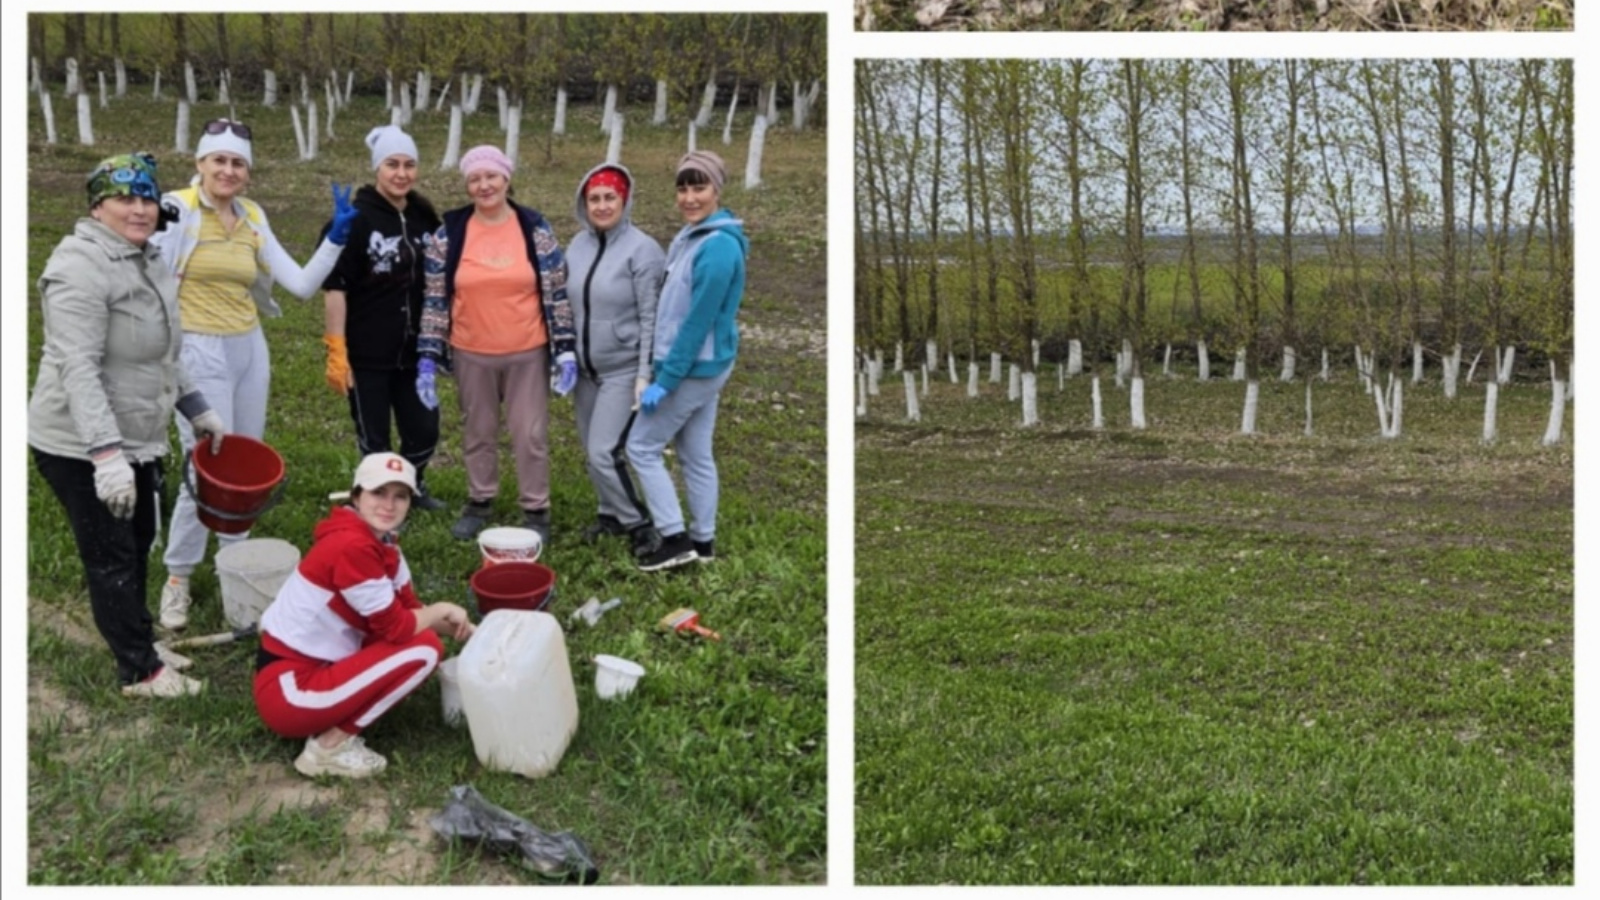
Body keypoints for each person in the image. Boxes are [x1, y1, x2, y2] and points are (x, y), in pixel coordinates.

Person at [28, 153, 228, 698]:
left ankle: (140, 639)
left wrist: (196, 406)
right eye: (124, 198)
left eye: (146, 198)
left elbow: (162, 349)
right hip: (79, 440)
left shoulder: (146, 258)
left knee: (139, 539)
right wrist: (105, 455)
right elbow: (78, 367)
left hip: (138, 434)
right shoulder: (78, 267)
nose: (139, 209)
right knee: (111, 554)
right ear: (98, 206)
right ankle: (137, 671)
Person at [150, 117, 359, 631]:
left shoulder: (252, 216)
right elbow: (149, 272)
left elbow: (303, 285)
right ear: (199, 164)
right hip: (197, 349)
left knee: (242, 468)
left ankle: (235, 567)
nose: (228, 170)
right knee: (207, 465)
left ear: (248, 172)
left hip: (248, 347)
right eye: (218, 160)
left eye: (238, 163)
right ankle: (177, 577)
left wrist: (334, 239)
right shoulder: (176, 209)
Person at [253, 453, 475, 779]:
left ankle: (332, 732)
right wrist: (442, 610)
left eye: (400, 496)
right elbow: (399, 627)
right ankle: (329, 748)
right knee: (425, 649)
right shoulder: (351, 546)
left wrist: (478, 633)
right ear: (356, 496)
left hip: (309, 670)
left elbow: (410, 609)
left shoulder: (382, 543)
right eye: (378, 492)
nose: (389, 505)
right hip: (290, 692)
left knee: (419, 636)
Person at [417, 144, 578, 545]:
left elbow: (556, 292)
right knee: (479, 431)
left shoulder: (534, 229)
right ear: (467, 185)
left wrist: (565, 349)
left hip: (527, 351)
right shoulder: (448, 234)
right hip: (472, 351)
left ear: (506, 179)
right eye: (475, 178)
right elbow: (436, 298)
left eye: (491, 176)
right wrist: (427, 355)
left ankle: (536, 509)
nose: (484, 185)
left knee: (530, 434)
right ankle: (479, 501)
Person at [627, 151, 748, 572]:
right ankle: (704, 541)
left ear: (718, 190)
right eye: (683, 187)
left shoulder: (717, 249)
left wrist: (667, 379)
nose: (689, 197)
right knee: (695, 453)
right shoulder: (693, 236)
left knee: (640, 447)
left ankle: (674, 539)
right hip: (703, 367)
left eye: (699, 187)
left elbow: (697, 324)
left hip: (694, 369)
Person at [319, 125, 445, 510]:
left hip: (415, 351)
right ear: (377, 168)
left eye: (409, 164)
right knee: (374, 438)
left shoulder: (425, 218)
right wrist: (337, 347)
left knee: (424, 429)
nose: (401, 173)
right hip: (367, 351)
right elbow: (335, 287)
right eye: (392, 164)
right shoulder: (354, 221)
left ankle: (411, 485)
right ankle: (379, 501)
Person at [566, 162, 664, 559]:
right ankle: (609, 513)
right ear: (583, 202)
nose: (603, 206)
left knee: (603, 451)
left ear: (625, 201)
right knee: (591, 448)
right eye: (595, 198)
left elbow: (651, 317)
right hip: (585, 369)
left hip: (623, 369)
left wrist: (645, 373)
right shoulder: (576, 245)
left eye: (611, 198)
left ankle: (640, 523)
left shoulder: (644, 251)